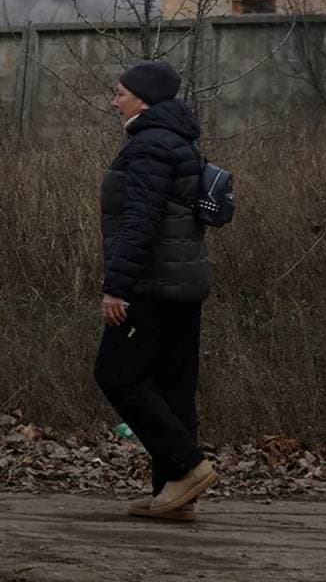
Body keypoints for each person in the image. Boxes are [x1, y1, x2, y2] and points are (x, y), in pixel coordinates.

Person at [96, 59, 217, 521]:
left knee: (116, 373)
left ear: (143, 100)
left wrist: (117, 287)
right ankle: (175, 493)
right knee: (173, 386)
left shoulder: (149, 146)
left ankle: (187, 466)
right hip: (184, 283)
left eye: (121, 93)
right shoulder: (179, 140)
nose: (114, 100)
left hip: (154, 285)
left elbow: (140, 222)